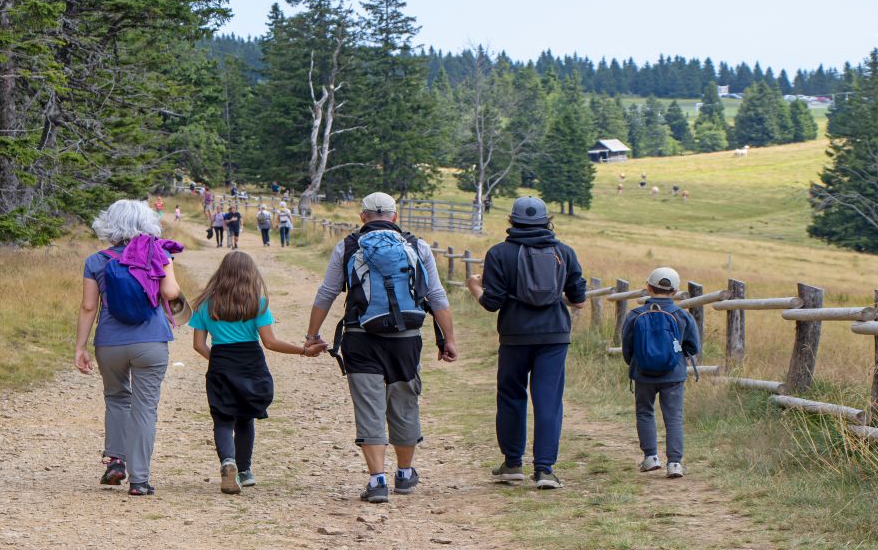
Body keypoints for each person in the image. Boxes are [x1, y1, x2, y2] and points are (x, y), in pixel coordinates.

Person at [304, 192, 458, 503]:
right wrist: (449, 339)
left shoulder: (348, 246)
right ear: (394, 217)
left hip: (360, 336)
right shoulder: (417, 246)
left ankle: (377, 480)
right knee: (404, 401)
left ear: (362, 217)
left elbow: (327, 292)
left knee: (369, 406)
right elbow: (437, 296)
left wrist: (312, 334)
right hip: (407, 337)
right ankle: (404, 474)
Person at [465, 197, 586, 490]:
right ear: (547, 221)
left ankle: (512, 464)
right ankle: (544, 470)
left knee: (511, 396)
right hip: (554, 336)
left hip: (515, 335)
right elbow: (579, 300)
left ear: (512, 221)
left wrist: (474, 286)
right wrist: (557, 298)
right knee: (548, 401)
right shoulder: (564, 252)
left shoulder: (499, 253)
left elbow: (492, 304)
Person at [190, 251, 326, 494]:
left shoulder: (205, 304)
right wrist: (303, 351)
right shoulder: (257, 303)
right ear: (250, 275)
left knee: (223, 418)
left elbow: (199, 345)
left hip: (221, 362)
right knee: (245, 416)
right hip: (251, 363)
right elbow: (270, 343)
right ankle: (244, 470)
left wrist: (220, 361)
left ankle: (227, 462)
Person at [74, 199, 183, 497]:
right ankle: (140, 480)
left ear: (109, 224)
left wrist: (80, 347)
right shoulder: (158, 254)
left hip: (109, 343)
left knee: (116, 398)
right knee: (145, 408)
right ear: (146, 222)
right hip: (150, 342)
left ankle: (116, 460)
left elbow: (87, 307)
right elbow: (171, 292)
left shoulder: (96, 261)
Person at [620, 267, 701, 480]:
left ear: (648, 287)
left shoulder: (635, 315)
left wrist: (637, 364)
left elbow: (627, 348)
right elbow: (693, 346)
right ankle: (674, 463)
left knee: (644, 412)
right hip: (673, 375)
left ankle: (650, 458)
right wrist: (676, 358)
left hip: (643, 374)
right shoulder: (682, 315)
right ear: (675, 291)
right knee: (674, 417)